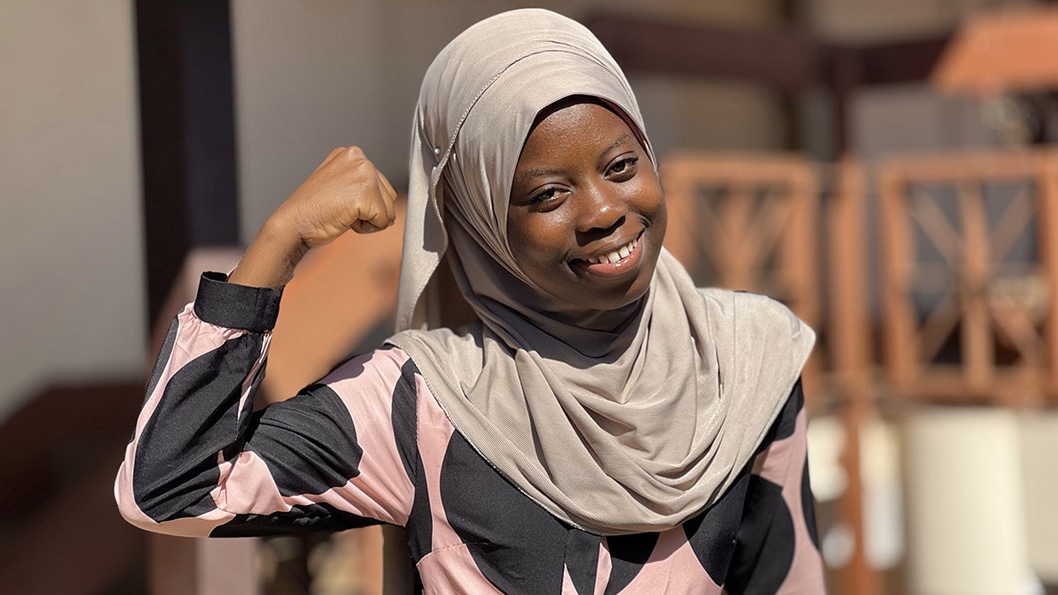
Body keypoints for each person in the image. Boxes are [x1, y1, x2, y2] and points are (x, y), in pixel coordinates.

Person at [116, 8, 823, 593]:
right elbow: (168, 486)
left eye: (621, 165)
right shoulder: (425, 402)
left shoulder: (748, 360)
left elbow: (786, 579)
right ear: (482, 223)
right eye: (548, 194)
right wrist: (279, 243)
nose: (604, 209)